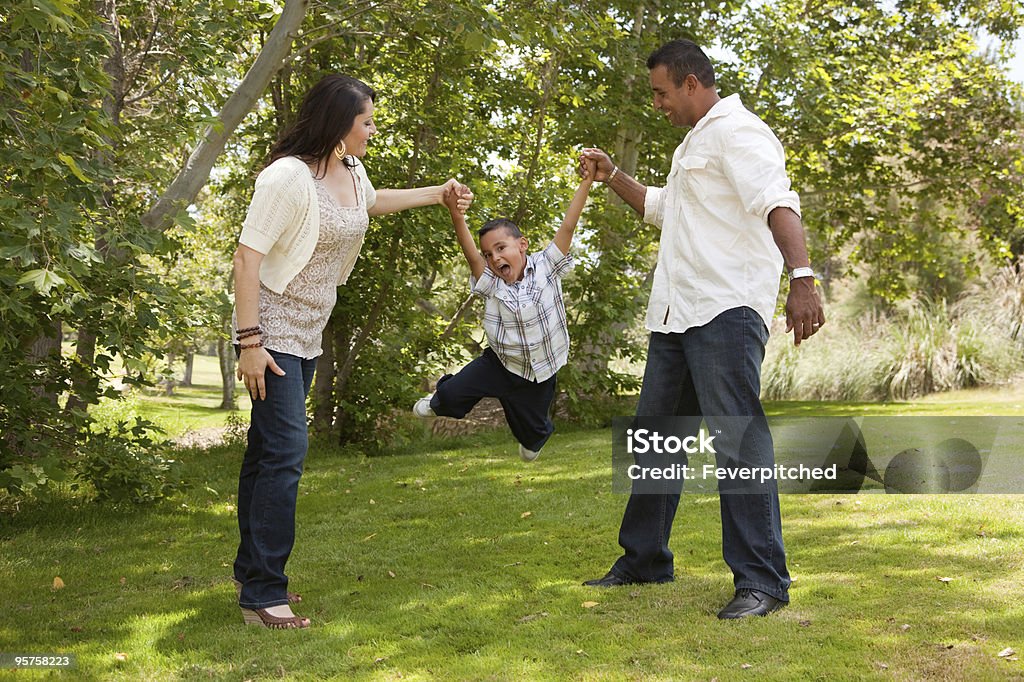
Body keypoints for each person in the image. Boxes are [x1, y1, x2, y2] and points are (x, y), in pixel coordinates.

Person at [579, 39, 825, 619]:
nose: (658, 104)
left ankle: (762, 582)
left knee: (738, 443)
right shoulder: (694, 144)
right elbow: (661, 208)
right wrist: (613, 174)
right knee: (656, 439)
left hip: (724, 312)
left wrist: (803, 277)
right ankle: (643, 560)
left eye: (663, 92)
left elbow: (777, 202)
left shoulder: (738, 131)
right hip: (676, 315)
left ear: (691, 83)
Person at [231, 74, 472, 629]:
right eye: (366, 120)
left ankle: (250, 573)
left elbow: (372, 202)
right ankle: (265, 595)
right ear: (340, 122)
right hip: (270, 335)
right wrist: (249, 343)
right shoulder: (286, 178)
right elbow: (247, 259)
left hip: (309, 331)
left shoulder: (350, 170)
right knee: (286, 455)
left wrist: (438, 193)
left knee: (266, 454)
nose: (372, 129)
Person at [412, 158, 598, 461]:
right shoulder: (491, 282)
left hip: (541, 370)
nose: (494, 257)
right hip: (500, 364)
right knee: (451, 395)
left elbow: (568, 224)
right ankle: (438, 399)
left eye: (501, 248)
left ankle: (533, 439)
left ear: (522, 245)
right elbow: (470, 253)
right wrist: (457, 215)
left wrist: (586, 181)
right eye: (489, 253)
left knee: (534, 433)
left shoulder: (546, 266)